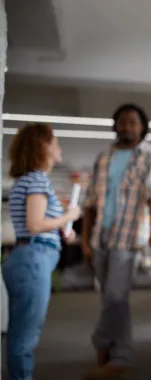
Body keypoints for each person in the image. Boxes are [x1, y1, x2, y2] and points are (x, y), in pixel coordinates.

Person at [81, 104, 151, 380]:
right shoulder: (103, 158)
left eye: (133, 122)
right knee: (112, 300)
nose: (127, 126)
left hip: (129, 237)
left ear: (143, 126)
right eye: (122, 122)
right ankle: (120, 355)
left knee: (115, 297)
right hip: (100, 237)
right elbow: (89, 203)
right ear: (115, 125)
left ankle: (102, 341)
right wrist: (85, 240)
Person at [3, 123, 80, 380]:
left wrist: (62, 225)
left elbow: (36, 223)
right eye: (55, 142)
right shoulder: (37, 179)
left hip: (27, 258)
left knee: (19, 332)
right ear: (42, 146)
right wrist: (68, 216)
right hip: (33, 259)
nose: (59, 148)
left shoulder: (28, 180)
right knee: (25, 337)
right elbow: (36, 224)